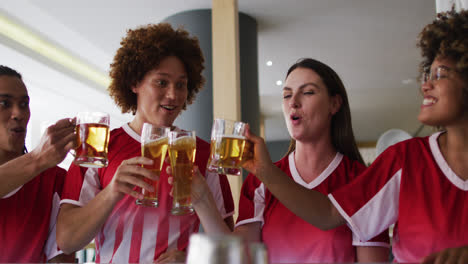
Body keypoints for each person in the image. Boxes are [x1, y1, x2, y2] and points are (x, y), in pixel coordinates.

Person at [240, 10, 468, 264]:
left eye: (441, 75)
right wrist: (264, 170)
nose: (425, 85)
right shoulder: (405, 158)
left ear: (334, 104)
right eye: (428, 75)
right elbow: (328, 215)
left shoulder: (358, 173)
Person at [56, 23, 234, 263]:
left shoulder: (202, 153)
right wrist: (111, 192)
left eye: (181, 84)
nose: (173, 95)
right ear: (134, 82)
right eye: (162, 82)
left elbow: (230, 249)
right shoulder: (97, 148)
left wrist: (193, 260)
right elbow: (67, 240)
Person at [185, 58, 389, 263]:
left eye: (308, 92)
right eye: (287, 95)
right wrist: (202, 200)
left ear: (334, 104)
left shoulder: (362, 180)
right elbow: (237, 259)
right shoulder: (258, 183)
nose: (293, 102)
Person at [0, 65, 76, 262]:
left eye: (24, 104)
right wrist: (38, 158)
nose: (18, 114)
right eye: (4, 104)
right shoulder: (39, 162)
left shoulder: (54, 180)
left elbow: (61, 258)